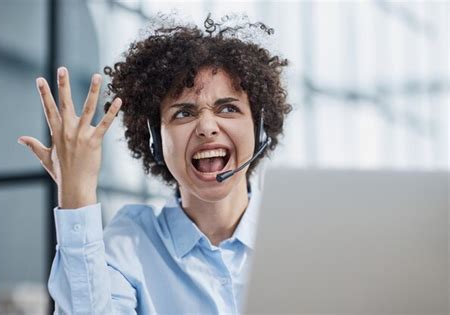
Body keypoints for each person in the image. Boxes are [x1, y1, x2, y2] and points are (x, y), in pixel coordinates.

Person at [18, 13, 291, 315]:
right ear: (155, 142)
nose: (207, 127)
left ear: (260, 128)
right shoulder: (130, 243)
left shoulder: (297, 236)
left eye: (228, 108)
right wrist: (76, 194)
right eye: (183, 113)